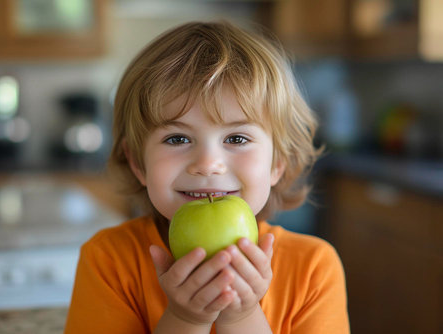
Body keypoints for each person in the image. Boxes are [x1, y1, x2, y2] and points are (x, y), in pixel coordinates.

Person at [64, 20, 349, 334]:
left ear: (277, 163)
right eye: (177, 139)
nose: (208, 164)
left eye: (237, 139)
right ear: (137, 163)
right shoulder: (109, 260)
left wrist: (241, 317)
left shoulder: (313, 268)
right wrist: (187, 320)